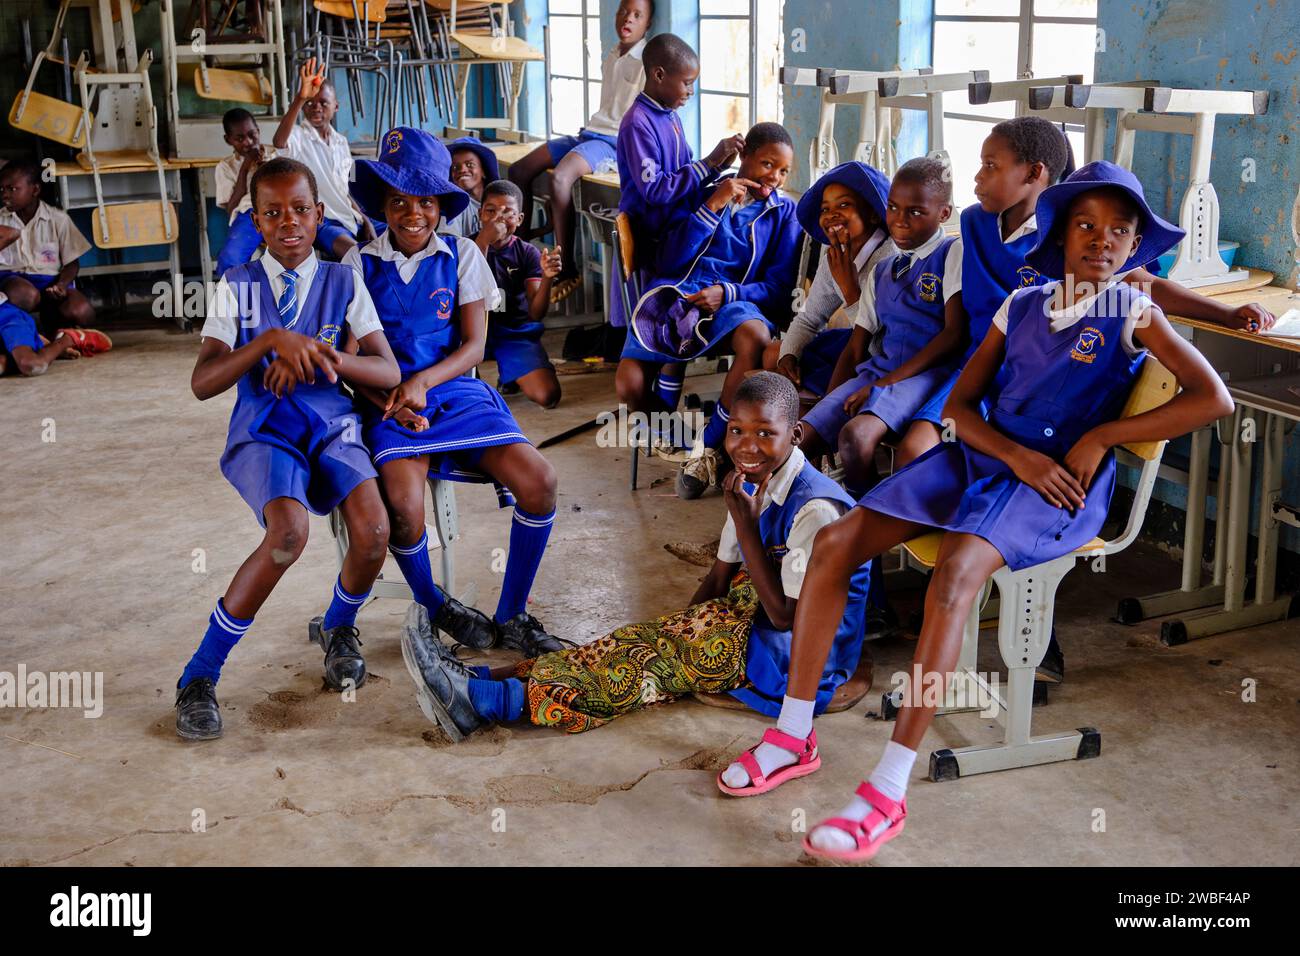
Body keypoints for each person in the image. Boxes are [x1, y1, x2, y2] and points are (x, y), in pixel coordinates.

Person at [719, 162, 1235, 863]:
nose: (1103, 241)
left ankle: (888, 790)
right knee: (839, 542)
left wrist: (1099, 437)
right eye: (1086, 224)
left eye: (1121, 231)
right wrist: (1010, 455)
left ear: (1136, 245)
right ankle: (794, 733)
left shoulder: (1131, 313)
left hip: (1057, 488)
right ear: (1060, 233)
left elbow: (1215, 399)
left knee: (956, 574)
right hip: (988, 458)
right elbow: (960, 407)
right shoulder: (1019, 306)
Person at [398, 372, 870, 744]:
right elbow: (720, 577)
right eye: (737, 431)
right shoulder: (752, 480)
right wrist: (676, 630)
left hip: (799, 654)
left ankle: (486, 702)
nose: (746, 446)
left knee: (641, 666)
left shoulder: (815, 509)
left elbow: (789, 619)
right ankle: (479, 676)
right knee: (638, 640)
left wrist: (744, 530)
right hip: (754, 612)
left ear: (797, 433)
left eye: (765, 433)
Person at [174, 157, 402, 741]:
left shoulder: (342, 281)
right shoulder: (240, 287)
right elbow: (204, 383)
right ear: (255, 221)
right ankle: (199, 675)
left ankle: (339, 626)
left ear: (319, 213)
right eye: (272, 213)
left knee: (375, 530)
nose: (289, 223)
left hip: (330, 422)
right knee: (288, 535)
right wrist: (271, 342)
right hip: (267, 426)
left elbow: (385, 367)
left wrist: (325, 357)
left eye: (301, 210)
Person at [344, 128, 565, 659]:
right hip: (389, 402)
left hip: (455, 391)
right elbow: (352, 363)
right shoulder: (359, 264)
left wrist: (423, 381)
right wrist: (393, 398)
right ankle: (434, 603)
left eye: (425, 201)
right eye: (398, 201)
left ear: (442, 205)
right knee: (403, 503)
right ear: (384, 205)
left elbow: (473, 347)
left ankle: (512, 613)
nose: (412, 213)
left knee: (540, 481)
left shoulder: (464, 254)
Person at [618, 122, 800, 499]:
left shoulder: (784, 214)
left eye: (783, 171)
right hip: (676, 293)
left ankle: (709, 449)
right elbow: (669, 260)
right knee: (629, 385)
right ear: (744, 155)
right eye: (767, 164)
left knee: (755, 336)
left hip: (736, 300)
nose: (776, 178)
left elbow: (780, 289)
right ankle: (681, 440)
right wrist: (713, 203)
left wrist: (728, 292)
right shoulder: (702, 194)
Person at [507, 0, 654, 296]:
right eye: (623, 12)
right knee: (518, 170)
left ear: (648, 24)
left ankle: (567, 267)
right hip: (588, 134)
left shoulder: (646, 61)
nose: (627, 18)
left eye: (637, 15)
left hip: (611, 143)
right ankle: (519, 258)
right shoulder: (613, 53)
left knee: (560, 178)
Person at [766, 160, 894, 400]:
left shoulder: (890, 260)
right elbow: (809, 318)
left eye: (844, 204)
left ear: (874, 216)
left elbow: (883, 345)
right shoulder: (834, 255)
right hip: (854, 342)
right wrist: (788, 356)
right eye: (824, 209)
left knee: (824, 381)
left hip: (880, 353)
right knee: (775, 354)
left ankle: (817, 423)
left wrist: (850, 290)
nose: (831, 215)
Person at [473, 179, 564, 408]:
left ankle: (511, 373)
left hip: (512, 331)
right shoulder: (464, 245)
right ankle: (478, 380)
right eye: (491, 211)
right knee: (468, 400)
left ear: (520, 219)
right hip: (469, 330)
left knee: (547, 396)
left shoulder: (527, 253)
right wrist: (484, 240)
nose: (498, 219)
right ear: (480, 214)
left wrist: (547, 278)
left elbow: (535, 314)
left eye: (508, 213)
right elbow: (471, 284)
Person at [273, 57, 375, 259]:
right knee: (355, 255)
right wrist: (300, 98)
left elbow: (347, 188)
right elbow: (279, 142)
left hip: (350, 215)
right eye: (310, 103)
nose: (316, 107)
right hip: (322, 221)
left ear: (335, 106)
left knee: (395, 238)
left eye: (323, 103)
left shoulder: (341, 142)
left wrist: (366, 220)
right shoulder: (298, 136)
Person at [0, 160, 98, 337]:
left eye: (12, 189)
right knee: (26, 294)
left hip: (50, 283)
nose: (5, 195)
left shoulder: (58, 219)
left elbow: (72, 264)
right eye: (2, 190)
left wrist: (61, 285)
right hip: (12, 281)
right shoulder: (1, 221)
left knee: (83, 312)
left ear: (35, 190)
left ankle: (51, 323)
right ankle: (26, 332)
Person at [214, 108, 276, 275]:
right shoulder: (226, 167)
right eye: (239, 138)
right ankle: (234, 298)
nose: (248, 142)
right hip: (248, 215)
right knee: (230, 260)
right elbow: (230, 208)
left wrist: (267, 168)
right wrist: (245, 168)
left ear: (258, 131)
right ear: (228, 140)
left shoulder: (273, 154)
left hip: (279, 211)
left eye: (252, 135)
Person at [440, 136, 500, 239]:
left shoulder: (500, 201)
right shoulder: (454, 204)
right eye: (455, 167)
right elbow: (449, 244)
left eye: (470, 164)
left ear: (484, 171)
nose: (462, 169)